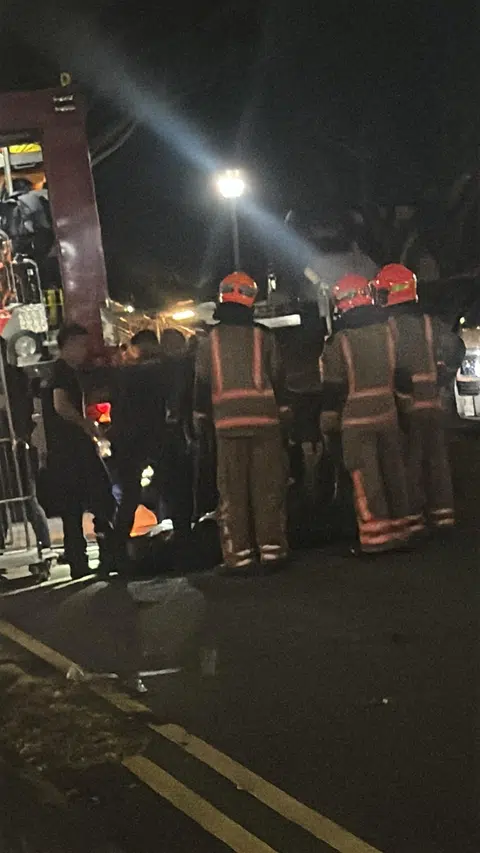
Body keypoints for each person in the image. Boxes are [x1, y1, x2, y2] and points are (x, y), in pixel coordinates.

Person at [194, 271, 290, 575]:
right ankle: (273, 552)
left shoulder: (209, 340)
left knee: (233, 493)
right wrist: (286, 412)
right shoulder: (265, 336)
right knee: (268, 489)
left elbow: (201, 382)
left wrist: (200, 418)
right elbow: (278, 377)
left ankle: (240, 557)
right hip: (266, 423)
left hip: (227, 426)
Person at [320, 274, 411, 554]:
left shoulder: (339, 341)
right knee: (394, 473)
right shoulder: (388, 331)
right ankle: (401, 531)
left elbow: (333, 386)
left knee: (365, 478)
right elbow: (402, 374)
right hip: (388, 414)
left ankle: (376, 538)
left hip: (356, 422)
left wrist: (328, 420)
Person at [372, 264, 465, 534]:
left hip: (406, 407)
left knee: (409, 464)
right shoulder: (430, 323)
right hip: (435, 405)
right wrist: (443, 377)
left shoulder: (386, 327)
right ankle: (443, 517)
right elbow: (456, 348)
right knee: (438, 461)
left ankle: (413, 518)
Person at [43, 323, 115, 579]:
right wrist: (87, 426)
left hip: (64, 450)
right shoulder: (62, 372)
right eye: (82, 345)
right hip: (72, 449)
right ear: (70, 343)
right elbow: (61, 405)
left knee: (72, 509)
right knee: (100, 497)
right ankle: (107, 553)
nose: (86, 351)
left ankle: (78, 561)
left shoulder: (62, 371)